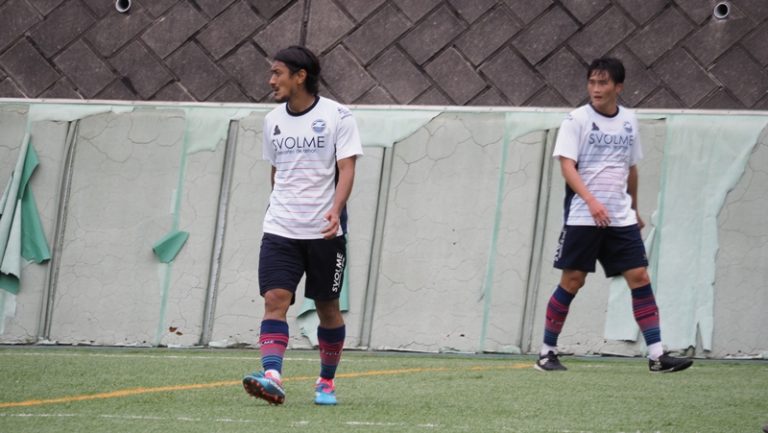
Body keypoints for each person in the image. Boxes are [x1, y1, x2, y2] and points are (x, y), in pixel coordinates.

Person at [534, 57, 693, 373]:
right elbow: (567, 166)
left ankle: (657, 356)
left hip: (620, 218)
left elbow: (630, 168)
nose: (596, 88)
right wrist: (591, 201)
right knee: (573, 281)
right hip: (583, 216)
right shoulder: (576, 120)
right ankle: (546, 352)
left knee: (640, 277)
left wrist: (633, 209)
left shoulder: (629, 120)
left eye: (603, 82)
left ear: (618, 87)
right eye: (592, 82)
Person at [242, 45, 363, 405]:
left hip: (325, 233)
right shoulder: (272, 120)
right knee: (274, 299)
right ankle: (272, 376)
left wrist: (335, 209)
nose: (271, 80)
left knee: (327, 308)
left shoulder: (338, 116)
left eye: (277, 73)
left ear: (300, 76)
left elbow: (347, 169)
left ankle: (326, 381)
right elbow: (276, 171)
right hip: (280, 229)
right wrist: (279, 207)